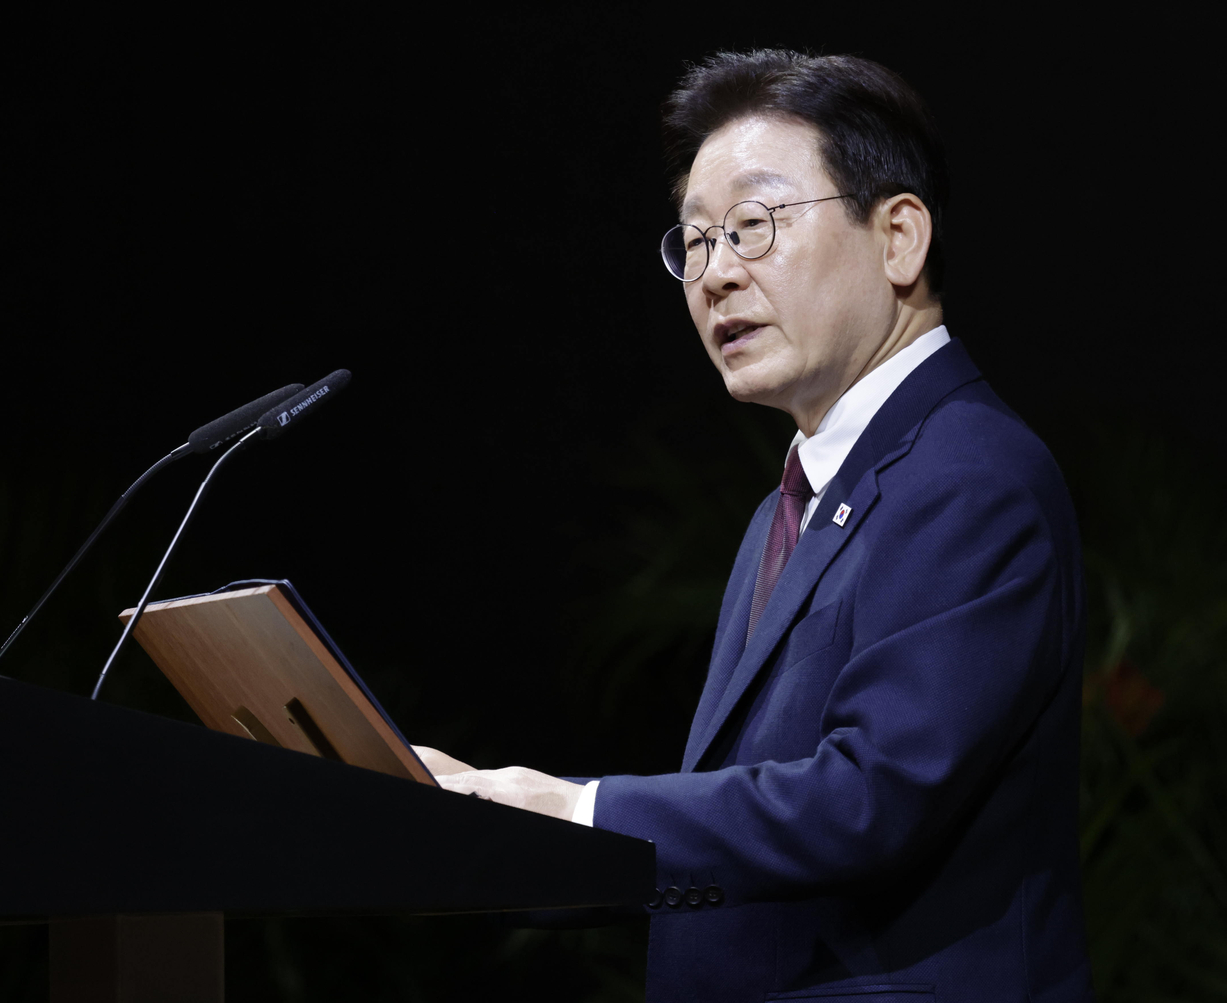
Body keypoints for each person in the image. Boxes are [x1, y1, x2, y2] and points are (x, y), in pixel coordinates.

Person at [417, 50, 1093, 1001]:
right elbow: (744, 848)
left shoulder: (971, 474)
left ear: (898, 237)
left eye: (751, 226)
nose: (714, 275)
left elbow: (867, 800)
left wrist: (572, 809)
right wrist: (492, 838)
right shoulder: (786, 508)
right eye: (693, 242)